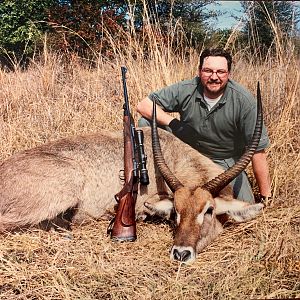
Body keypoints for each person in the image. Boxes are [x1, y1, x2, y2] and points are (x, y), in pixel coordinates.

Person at [136, 48, 271, 203]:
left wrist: (266, 196)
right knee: (145, 124)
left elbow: (258, 152)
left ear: (229, 74)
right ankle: (154, 182)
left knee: (245, 204)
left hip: (223, 161)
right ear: (199, 71)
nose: (214, 77)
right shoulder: (187, 88)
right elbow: (144, 105)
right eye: (208, 71)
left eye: (220, 72)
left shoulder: (245, 102)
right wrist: (174, 123)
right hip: (186, 153)